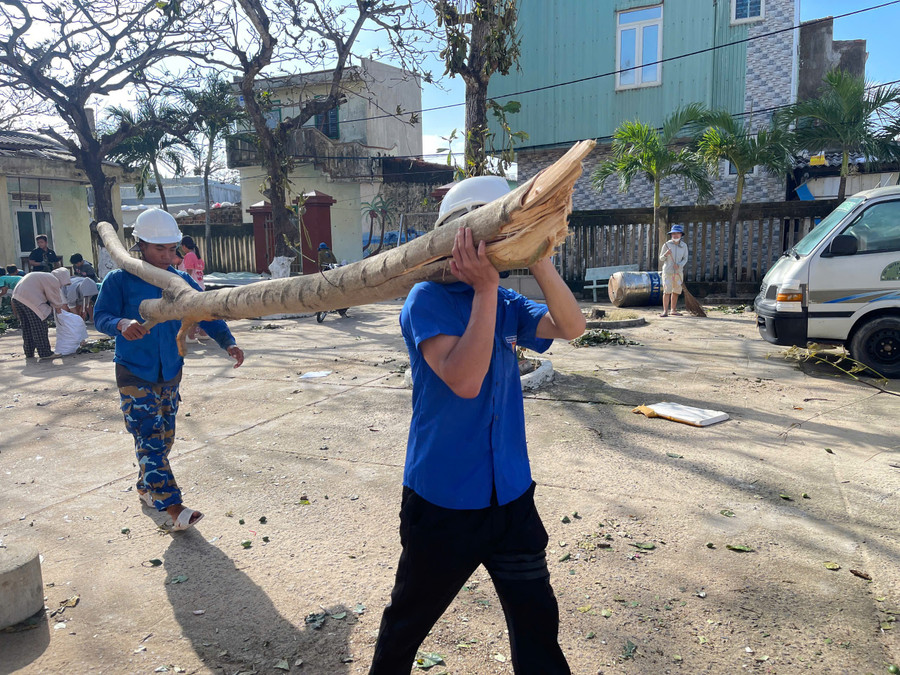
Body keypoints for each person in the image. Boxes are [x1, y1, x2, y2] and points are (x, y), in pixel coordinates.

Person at [369, 176, 585, 675]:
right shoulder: (427, 299)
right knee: (407, 624)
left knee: (537, 626)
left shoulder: (506, 302)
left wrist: (538, 255)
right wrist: (486, 289)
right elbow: (465, 381)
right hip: (443, 503)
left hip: (511, 498)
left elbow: (572, 326)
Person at [94, 209, 244, 532]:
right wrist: (121, 324)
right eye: (158, 248)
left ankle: (146, 486)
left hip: (170, 372)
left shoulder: (179, 281)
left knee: (165, 438)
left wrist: (228, 342)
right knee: (149, 438)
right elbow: (100, 316)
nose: (166, 256)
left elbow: (204, 310)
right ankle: (175, 508)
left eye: (171, 249)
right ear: (140, 246)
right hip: (134, 372)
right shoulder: (119, 280)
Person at [9, 267, 71, 358]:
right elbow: (53, 297)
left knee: (27, 327)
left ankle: (29, 352)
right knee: (39, 327)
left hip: (17, 298)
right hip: (30, 300)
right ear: (63, 277)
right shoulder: (53, 279)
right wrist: (59, 312)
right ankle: (45, 353)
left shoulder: (44, 276)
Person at [659, 224, 689, 317]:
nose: (675, 235)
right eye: (673, 233)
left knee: (676, 291)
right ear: (671, 235)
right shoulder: (666, 245)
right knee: (667, 291)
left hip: (678, 272)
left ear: (681, 235)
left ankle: (673, 310)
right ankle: (665, 311)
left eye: (677, 233)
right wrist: (666, 254)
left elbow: (685, 258)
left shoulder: (684, 246)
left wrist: (679, 265)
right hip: (668, 272)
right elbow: (661, 258)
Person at [180, 236, 206, 342]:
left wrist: (185, 285)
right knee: (200, 312)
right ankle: (202, 333)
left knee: (191, 312)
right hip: (200, 286)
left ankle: (190, 335)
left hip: (193, 287)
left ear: (184, 246)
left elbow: (189, 272)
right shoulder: (197, 255)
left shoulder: (189, 256)